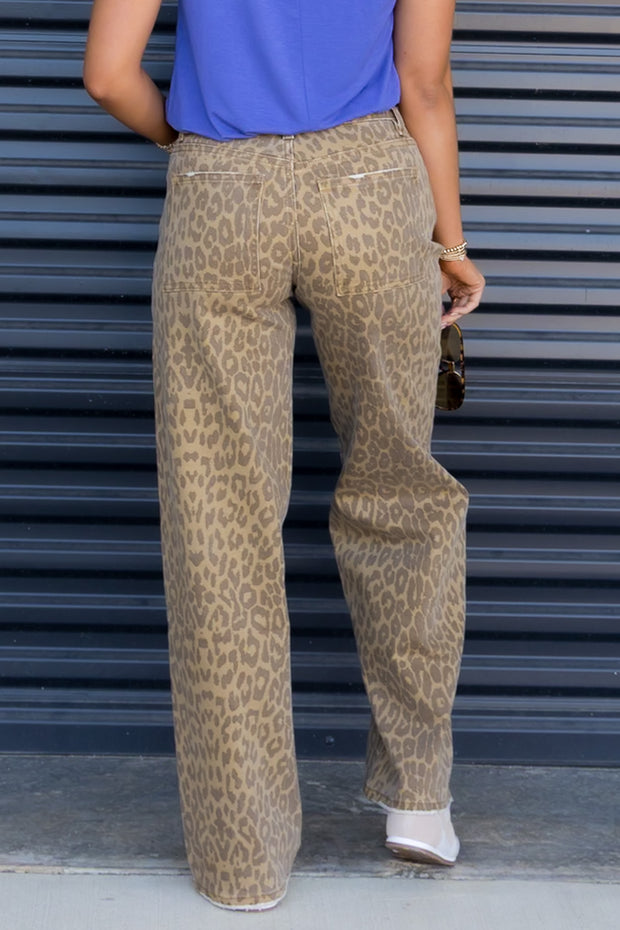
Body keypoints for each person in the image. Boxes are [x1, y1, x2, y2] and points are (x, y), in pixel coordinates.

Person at [84, 0, 485, 912]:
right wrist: (451, 244)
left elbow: (108, 74)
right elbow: (423, 84)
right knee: (401, 491)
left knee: (219, 523)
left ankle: (243, 862)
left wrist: (190, 143)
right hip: (370, 186)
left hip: (221, 191)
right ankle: (420, 800)